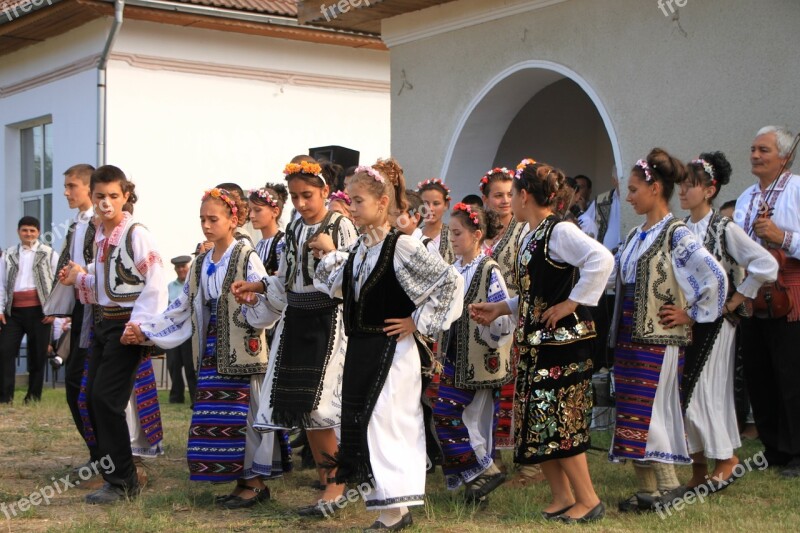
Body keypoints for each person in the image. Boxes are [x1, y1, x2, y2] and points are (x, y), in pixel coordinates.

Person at [310, 163, 462, 531]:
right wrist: (330, 255)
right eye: (350, 199)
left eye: (358, 200)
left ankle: (396, 508)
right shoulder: (361, 248)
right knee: (364, 423)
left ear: (382, 203)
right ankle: (387, 504)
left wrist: (418, 322)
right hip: (363, 349)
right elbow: (335, 282)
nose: (352, 206)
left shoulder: (402, 246)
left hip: (393, 351)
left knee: (390, 424)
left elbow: (450, 283)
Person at [471, 160, 613, 523]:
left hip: (564, 343)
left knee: (561, 420)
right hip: (539, 341)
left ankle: (588, 499)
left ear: (525, 196)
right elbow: (537, 294)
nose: (509, 201)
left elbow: (601, 258)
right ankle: (563, 496)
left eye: (514, 193)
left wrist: (571, 302)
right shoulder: (531, 234)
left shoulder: (559, 231)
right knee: (539, 420)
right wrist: (502, 307)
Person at [127, 188, 276, 508]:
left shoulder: (246, 256)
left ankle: (256, 483)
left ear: (233, 219)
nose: (206, 225)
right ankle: (241, 481)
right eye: (202, 219)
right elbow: (181, 307)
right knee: (220, 418)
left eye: (213, 219)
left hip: (241, 351)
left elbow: (270, 299)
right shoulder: (202, 262)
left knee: (244, 416)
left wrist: (253, 299)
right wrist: (146, 329)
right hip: (211, 350)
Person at [232, 159, 358, 514]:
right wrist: (256, 286)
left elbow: (354, 274)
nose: (302, 203)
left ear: (323, 192)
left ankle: (336, 485)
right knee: (302, 406)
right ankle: (327, 481)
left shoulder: (340, 225)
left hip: (328, 320)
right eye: (295, 196)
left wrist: (331, 254)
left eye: (308, 195)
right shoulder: (293, 230)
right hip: (296, 320)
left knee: (319, 406)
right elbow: (286, 279)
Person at [608, 149, 726, 512]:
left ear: (655, 188)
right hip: (629, 336)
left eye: (632, 189)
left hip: (657, 341)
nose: (628, 197)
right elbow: (614, 278)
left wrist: (690, 314)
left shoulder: (677, 234)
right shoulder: (635, 234)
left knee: (654, 412)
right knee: (630, 409)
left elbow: (715, 276)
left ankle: (670, 486)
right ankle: (648, 491)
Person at [60, 165, 168, 504]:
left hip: (128, 327)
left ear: (125, 197)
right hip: (106, 324)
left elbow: (155, 281)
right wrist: (78, 280)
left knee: (106, 400)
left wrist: (141, 325)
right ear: (92, 198)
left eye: (112, 196)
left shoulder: (135, 232)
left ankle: (124, 481)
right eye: (100, 196)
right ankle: (115, 476)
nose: (106, 203)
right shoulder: (102, 237)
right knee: (92, 397)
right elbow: (110, 286)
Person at [678, 151, 778, 488]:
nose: (682, 191)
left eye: (690, 185)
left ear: (709, 189)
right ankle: (698, 467)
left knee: (705, 392)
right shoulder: (680, 230)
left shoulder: (724, 228)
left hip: (717, 323)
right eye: (681, 185)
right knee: (685, 393)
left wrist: (737, 297)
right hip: (685, 320)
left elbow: (765, 263)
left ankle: (727, 458)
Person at [432, 203, 513, 502]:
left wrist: (487, 329)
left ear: (476, 235)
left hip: (478, 360)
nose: (452, 239)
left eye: (457, 233)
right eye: (450, 233)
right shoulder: (453, 270)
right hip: (454, 357)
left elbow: (504, 316)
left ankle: (484, 472)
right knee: (451, 417)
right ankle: (478, 483)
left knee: (461, 417)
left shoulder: (489, 270)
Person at [735, 125, 800, 478]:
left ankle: (797, 451)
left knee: (792, 375)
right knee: (760, 375)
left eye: (764, 150)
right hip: (754, 294)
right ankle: (774, 448)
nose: (755, 155)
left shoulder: (798, 189)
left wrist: (782, 236)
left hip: (788, 293)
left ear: (785, 157)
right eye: (753, 149)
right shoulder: (746, 197)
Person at [479, 166, 530, 458]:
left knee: (511, 385)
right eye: (497, 195)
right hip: (483, 318)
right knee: (485, 383)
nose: (504, 201)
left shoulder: (522, 230)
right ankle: (488, 450)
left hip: (513, 317)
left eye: (509, 194)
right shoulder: (480, 232)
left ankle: (514, 452)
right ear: (485, 199)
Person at [0, 216, 59, 404]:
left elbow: (58, 283)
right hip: (13, 312)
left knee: (37, 354)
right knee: (4, 352)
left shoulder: (49, 253)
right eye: (25, 230)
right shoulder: (8, 254)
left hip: (39, 311)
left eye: (32, 231)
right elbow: (1, 283)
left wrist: (54, 310)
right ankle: (4, 397)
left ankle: (33, 397)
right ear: (19, 232)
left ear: (39, 233)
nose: (28, 234)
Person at [165, 255, 196, 406]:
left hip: (189, 331)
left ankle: (195, 398)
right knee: (173, 365)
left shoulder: (193, 284)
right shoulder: (170, 287)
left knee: (190, 366)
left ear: (188, 267)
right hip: (173, 331)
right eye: (178, 267)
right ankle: (176, 397)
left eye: (183, 266)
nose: (181, 269)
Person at [417, 178, 456, 263]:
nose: (430, 208)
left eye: (436, 203)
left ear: (446, 205)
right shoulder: (414, 234)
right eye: (425, 203)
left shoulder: (453, 237)